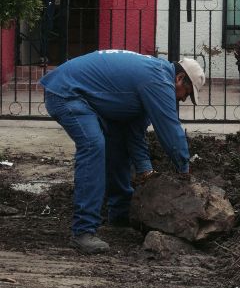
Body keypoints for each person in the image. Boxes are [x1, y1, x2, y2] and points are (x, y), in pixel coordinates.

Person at [40, 50, 205, 254]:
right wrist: (184, 172)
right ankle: (83, 231)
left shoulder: (151, 81)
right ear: (179, 79)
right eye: (186, 94)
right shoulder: (158, 81)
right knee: (93, 146)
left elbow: (134, 134)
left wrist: (146, 170)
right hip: (66, 92)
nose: (183, 100)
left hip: (81, 94)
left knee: (117, 143)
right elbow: (170, 130)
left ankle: (119, 213)